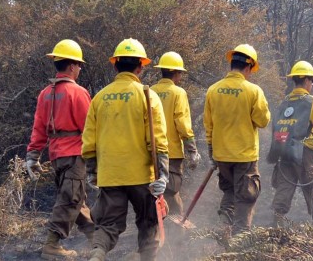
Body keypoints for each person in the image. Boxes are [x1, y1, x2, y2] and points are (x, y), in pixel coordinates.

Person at [81, 38, 169, 261]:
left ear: (115, 65)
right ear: (140, 66)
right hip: (142, 177)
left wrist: (92, 171)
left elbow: (89, 142)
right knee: (148, 223)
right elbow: (157, 141)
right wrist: (163, 175)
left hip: (110, 175)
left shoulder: (99, 98)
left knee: (108, 224)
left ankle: (97, 255)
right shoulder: (148, 96)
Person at [25, 39, 94, 259]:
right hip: (75, 154)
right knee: (70, 199)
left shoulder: (45, 93)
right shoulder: (78, 92)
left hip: (56, 155)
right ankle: (52, 245)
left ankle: (96, 239)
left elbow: (38, 127)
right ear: (72, 66)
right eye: (79, 65)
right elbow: (90, 128)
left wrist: (33, 156)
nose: (80, 69)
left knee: (75, 197)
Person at [203, 44, 270, 235]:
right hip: (244, 157)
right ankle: (240, 241)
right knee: (246, 198)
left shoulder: (213, 90)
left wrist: (211, 152)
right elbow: (263, 121)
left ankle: (223, 231)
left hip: (221, 155)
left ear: (232, 64)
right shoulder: (253, 91)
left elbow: (209, 125)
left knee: (230, 192)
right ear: (248, 67)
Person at [269, 61, 313, 226]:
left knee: (284, 187)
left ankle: (276, 225)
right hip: (305, 152)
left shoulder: (284, 102)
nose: (312, 84)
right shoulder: (310, 101)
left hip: (284, 152)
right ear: (306, 81)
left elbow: (275, 127)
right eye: (311, 81)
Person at [150, 51, 200, 216]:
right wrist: (192, 150)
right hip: (171, 154)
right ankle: (176, 231)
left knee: (155, 192)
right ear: (176, 73)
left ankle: (160, 229)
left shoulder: (149, 91)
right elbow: (183, 124)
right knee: (171, 191)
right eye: (180, 73)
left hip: (150, 153)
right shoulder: (178, 93)